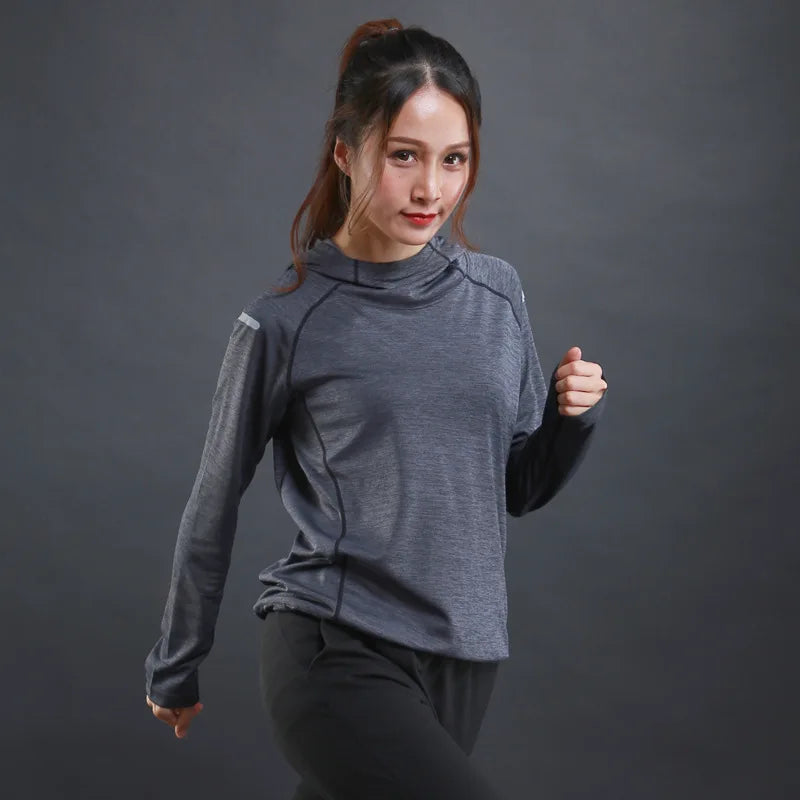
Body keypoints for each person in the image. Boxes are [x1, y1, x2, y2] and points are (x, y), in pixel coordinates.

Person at [144, 17, 608, 799]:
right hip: (334, 647)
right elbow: (214, 501)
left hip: (463, 657)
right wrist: (175, 664)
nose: (431, 189)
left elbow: (517, 488)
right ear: (344, 152)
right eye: (403, 156)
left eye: (453, 159)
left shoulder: (496, 294)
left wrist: (571, 419)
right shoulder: (287, 321)